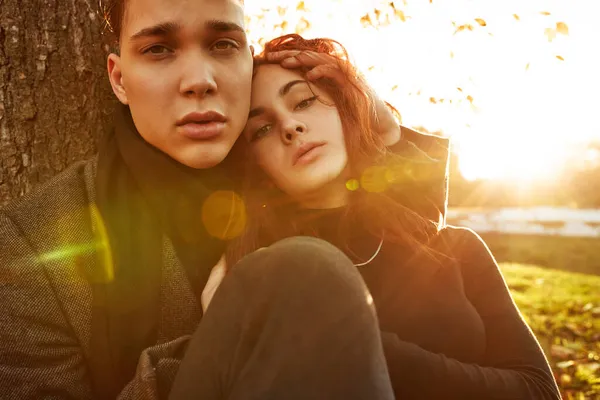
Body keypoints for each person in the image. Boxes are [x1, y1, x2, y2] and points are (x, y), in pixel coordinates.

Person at [0, 1, 449, 399]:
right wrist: (231, 333)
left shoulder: (282, 173)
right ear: (118, 78)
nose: (200, 81)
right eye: (158, 48)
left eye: (223, 45)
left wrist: (380, 125)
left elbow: (412, 245)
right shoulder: (32, 242)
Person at [190, 34, 562, 400]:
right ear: (257, 167)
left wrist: (344, 336)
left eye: (303, 102)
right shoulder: (259, 278)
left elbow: (539, 391)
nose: (290, 127)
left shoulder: (453, 246)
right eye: (263, 129)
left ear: (346, 109)